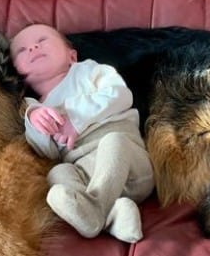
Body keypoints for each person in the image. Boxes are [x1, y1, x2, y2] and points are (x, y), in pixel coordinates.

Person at [9, 24, 154, 243]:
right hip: (87, 176)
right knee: (59, 172)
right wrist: (35, 122)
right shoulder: (33, 107)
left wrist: (75, 120)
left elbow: (120, 94)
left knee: (113, 141)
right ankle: (111, 215)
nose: (33, 47)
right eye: (21, 50)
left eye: (43, 40)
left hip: (129, 166)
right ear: (17, 73)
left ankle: (94, 209)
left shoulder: (89, 71)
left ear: (72, 55)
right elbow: (47, 153)